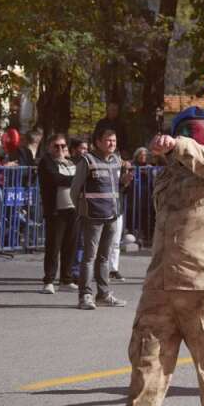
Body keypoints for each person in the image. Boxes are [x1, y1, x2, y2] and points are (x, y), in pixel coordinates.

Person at [100, 106, 204, 406]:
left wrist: (180, 144)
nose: (187, 141)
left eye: (193, 135)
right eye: (182, 133)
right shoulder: (164, 179)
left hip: (203, 285)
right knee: (147, 363)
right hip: (160, 284)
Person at [71, 126, 130, 310]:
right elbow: (75, 189)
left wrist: (125, 183)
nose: (111, 143)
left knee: (104, 258)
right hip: (93, 216)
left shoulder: (116, 161)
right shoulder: (87, 161)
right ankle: (85, 296)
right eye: (108, 140)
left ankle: (103, 294)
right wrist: (81, 210)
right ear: (98, 142)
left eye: (114, 140)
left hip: (112, 215)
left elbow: (116, 187)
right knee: (89, 257)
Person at [39, 134, 79, 293]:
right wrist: (77, 179)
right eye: (56, 146)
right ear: (49, 147)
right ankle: (48, 280)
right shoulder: (46, 162)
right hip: (56, 211)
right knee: (53, 247)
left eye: (63, 146)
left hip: (74, 209)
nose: (60, 149)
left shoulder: (71, 163)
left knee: (70, 246)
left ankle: (66, 279)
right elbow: (57, 179)